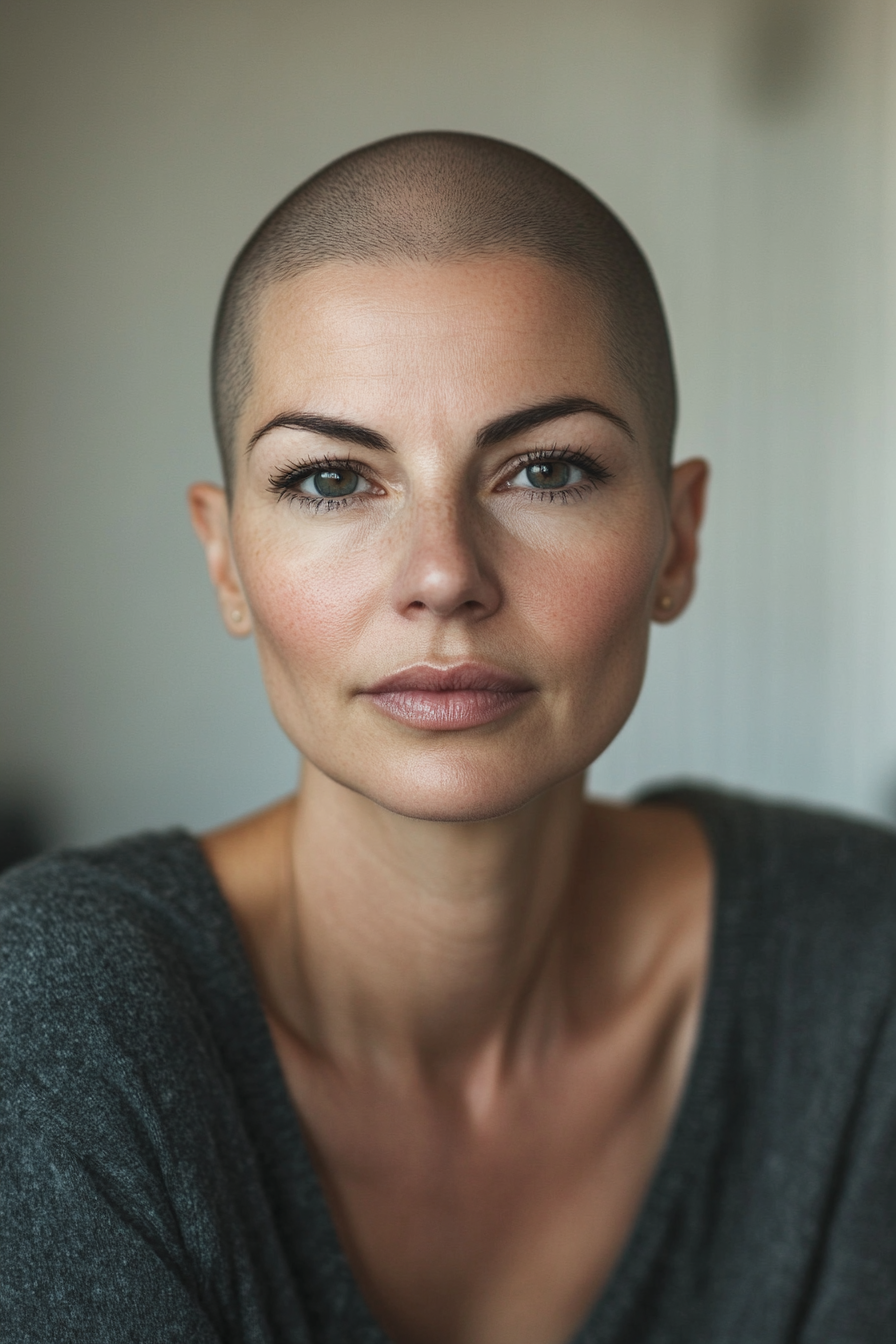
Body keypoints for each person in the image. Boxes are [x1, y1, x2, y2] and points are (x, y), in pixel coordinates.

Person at [2, 132, 895, 1344]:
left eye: (545, 469)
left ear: (674, 542)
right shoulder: (54, 1015)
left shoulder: (860, 970)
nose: (442, 576)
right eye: (330, 481)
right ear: (224, 558)